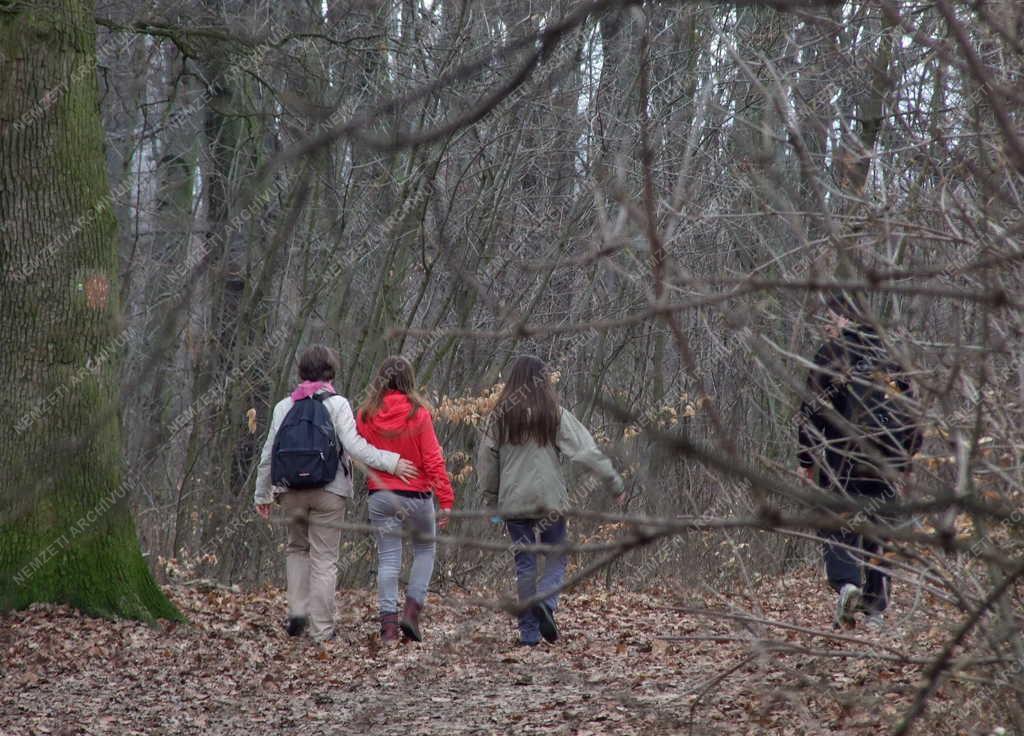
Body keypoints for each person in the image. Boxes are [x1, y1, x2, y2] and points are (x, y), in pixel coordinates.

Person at [254, 345, 417, 643]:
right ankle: (322, 629)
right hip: (329, 491)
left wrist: (261, 494)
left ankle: (298, 610)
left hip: (289, 491)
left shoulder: (283, 406)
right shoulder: (338, 404)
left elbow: (268, 453)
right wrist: (391, 461)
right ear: (331, 371)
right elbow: (355, 447)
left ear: (301, 371)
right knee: (324, 559)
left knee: (297, 549)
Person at [477, 355, 625, 647]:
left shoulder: (500, 416)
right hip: (549, 501)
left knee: (525, 564)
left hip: (514, 503)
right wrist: (613, 481)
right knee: (557, 556)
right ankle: (547, 601)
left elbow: (486, 461)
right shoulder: (554, 413)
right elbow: (585, 450)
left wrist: (492, 501)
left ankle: (529, 634)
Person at [796, 294, 922, 629]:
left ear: (846, 318)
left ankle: (847, 585)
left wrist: (806, 458)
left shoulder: (830, 355)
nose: (826, 324)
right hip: (887, 462)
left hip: (843, 459)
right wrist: (907, 460)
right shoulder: (893, 357)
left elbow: (811, 412)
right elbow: (913, 416)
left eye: (830, 317)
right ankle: (875, 610)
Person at [357, 355, 455, 643]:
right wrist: (446, 498)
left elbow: (360, 452)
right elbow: (433, 459)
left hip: (381, 496)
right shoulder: (419, 414)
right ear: (409, 380)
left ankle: (388, 626)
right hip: (416, 497)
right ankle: (411, 612)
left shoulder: (365, 415)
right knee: (425, 551)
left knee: (388, 559)